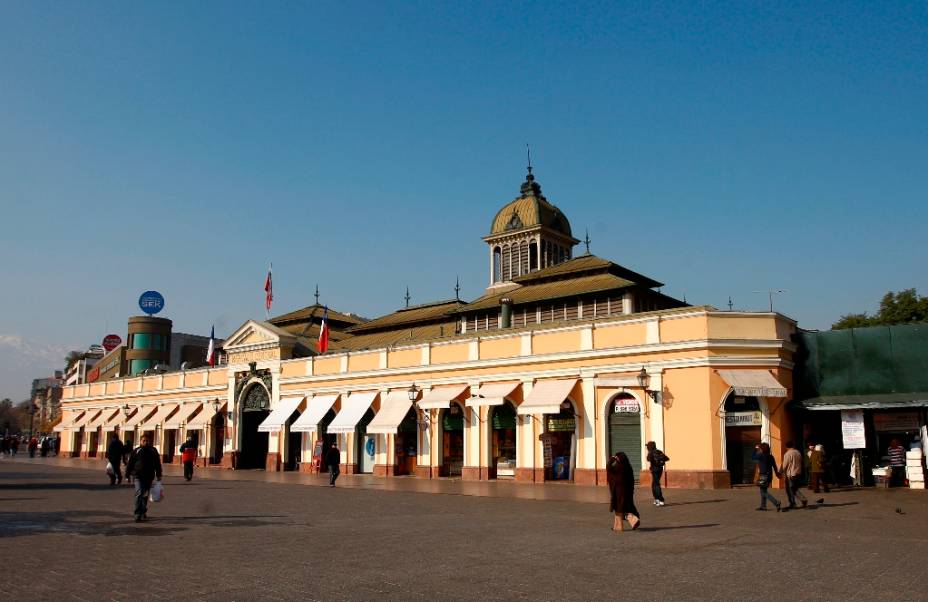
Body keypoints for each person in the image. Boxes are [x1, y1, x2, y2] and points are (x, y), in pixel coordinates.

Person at [125, 434, 163, 522]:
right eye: (144, 441)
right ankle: (137, 513)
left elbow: (157, 463)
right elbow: (130, 463)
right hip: (138, 476)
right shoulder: (136, 451)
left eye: (147, 441)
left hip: (149, 476)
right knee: (139, 492)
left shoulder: (153, 450)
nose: (146, 442)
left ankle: (143, 510)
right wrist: (127, 475)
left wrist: (159, 474)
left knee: (145, 495)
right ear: (140, 441)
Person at [607, 451, 640, 532]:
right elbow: (632, 480)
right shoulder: (628, 467)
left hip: (618, 491)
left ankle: (632, 520)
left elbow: (608, 468)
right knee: (620, 509)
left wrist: (611, 459)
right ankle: (618, 527)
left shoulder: (618, 467)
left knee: (619, 509)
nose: (616, 459)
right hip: (626, 491)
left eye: (617, 457)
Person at [752, 442, 781, 512]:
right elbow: (774, 466)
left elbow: (753, 457)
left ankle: (776, 502)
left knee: (764, 492)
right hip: (769, 475)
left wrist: (755, 449)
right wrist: (777, 474)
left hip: (763, 476)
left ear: (761, 449)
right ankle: (763, 506)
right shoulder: (771, 456)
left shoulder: (761, 455)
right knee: (763, 490)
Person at [781, 441, 808, 510]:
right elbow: (801, 462)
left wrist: (780, 472)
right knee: (794, 488)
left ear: (786, 446)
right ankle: (803, 499)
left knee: (790, 489)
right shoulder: (798, 452)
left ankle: (793, 503)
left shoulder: (787, 454)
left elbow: (784, 465)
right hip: (798, 473)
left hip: (791, 474)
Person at [645, 441, 669, 506]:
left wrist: (652, 458)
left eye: (647, 446)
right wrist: (660, 460)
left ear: (649, 447)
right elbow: (667, 458)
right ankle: (656, 499)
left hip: (654, 469)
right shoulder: (659, 451)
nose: (647, 447)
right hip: (660, 469)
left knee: (656, 484)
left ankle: (661, 499)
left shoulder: (650, 453)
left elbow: (648, 459)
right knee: (654, 484)